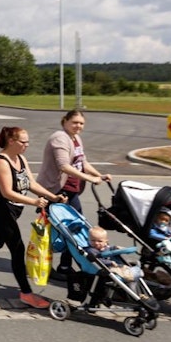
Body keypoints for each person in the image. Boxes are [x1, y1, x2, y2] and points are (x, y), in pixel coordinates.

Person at [0, 126, 68, 309]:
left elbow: (30, 183)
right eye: (23, 142)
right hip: (0, 208)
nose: (26, 145)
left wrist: (52, 197)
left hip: (14, 208)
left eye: (27, 142)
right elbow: (7, 192)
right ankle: (26, 293)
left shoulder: (20, 158)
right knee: (17, 249)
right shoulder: (1, 163)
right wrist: (34, 202)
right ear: (11, 141)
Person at [37, 109, 111, 279]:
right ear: (65, 121)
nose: (78, 126)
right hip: (56, 190)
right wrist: (90, 178)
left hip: (71, 191)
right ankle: (47, 265)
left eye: (81, 123)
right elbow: (63, 166)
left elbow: (82, 161)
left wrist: (98, 175)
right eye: (75, 122)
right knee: (64, 231)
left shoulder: (75, 138)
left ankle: (64, 265)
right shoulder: (59, 138)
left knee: (73, 229)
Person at [85, 227, 144, 293]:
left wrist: (117, 248)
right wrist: (110, 262)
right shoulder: (91, 250)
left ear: (106, 242)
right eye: (93, 240)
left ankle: (132, 273)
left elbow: (110, 248)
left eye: (100, 241)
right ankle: (132, 274)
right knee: (120, 271)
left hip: (113, 266)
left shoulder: (105, 247)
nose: (96, 243)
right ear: (88, 240)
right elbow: (99, 260)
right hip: (104, 268)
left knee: (123, 267)